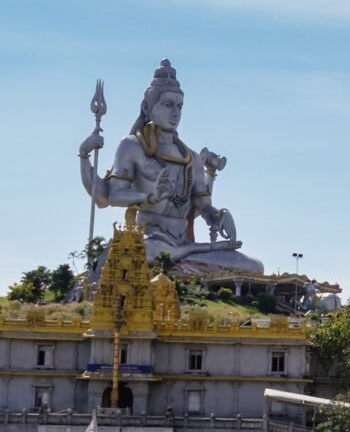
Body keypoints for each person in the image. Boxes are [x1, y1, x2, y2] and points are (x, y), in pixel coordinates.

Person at [79, 59, 262, 273]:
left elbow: (203, 207)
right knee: (148, 252)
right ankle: (182, 261)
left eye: (179, 106)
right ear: (147, 107)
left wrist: (220, 215)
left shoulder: (190, 157)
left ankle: (182, 260)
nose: (175, 113)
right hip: (149, 239)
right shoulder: (132, 147)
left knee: (253, 265)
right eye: (167, 105)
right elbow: (109, 196)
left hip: (184, 243)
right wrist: (148, 198)